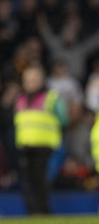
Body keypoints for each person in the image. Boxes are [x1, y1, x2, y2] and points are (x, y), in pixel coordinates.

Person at [14, 65, 69, 215]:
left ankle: (42, 211)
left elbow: (64, 120)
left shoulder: (51, 98)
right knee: (28, 182)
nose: (30, 83)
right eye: (27, 79)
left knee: (42, 181)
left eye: (34, 79)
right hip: (25, 146)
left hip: (46, 147)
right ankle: (32, 212)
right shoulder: (20, 99)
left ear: (42, 80)